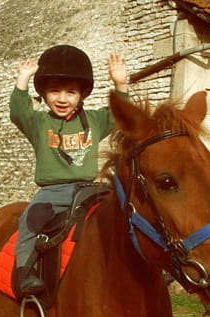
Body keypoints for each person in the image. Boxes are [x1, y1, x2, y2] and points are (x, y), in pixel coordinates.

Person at [9, 44, 128, 298]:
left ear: (82, 95)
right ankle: (25, 272)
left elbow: (120, 114)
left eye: (71, 92)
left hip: (92, 190)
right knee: (30, 220)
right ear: (44, 93)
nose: (62, 99)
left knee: (128, 212)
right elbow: (19, 111)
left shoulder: (95, 120)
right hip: (53, 192)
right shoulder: (39, 122)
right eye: (54, 91)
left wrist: (121, 85)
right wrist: (23, 79)